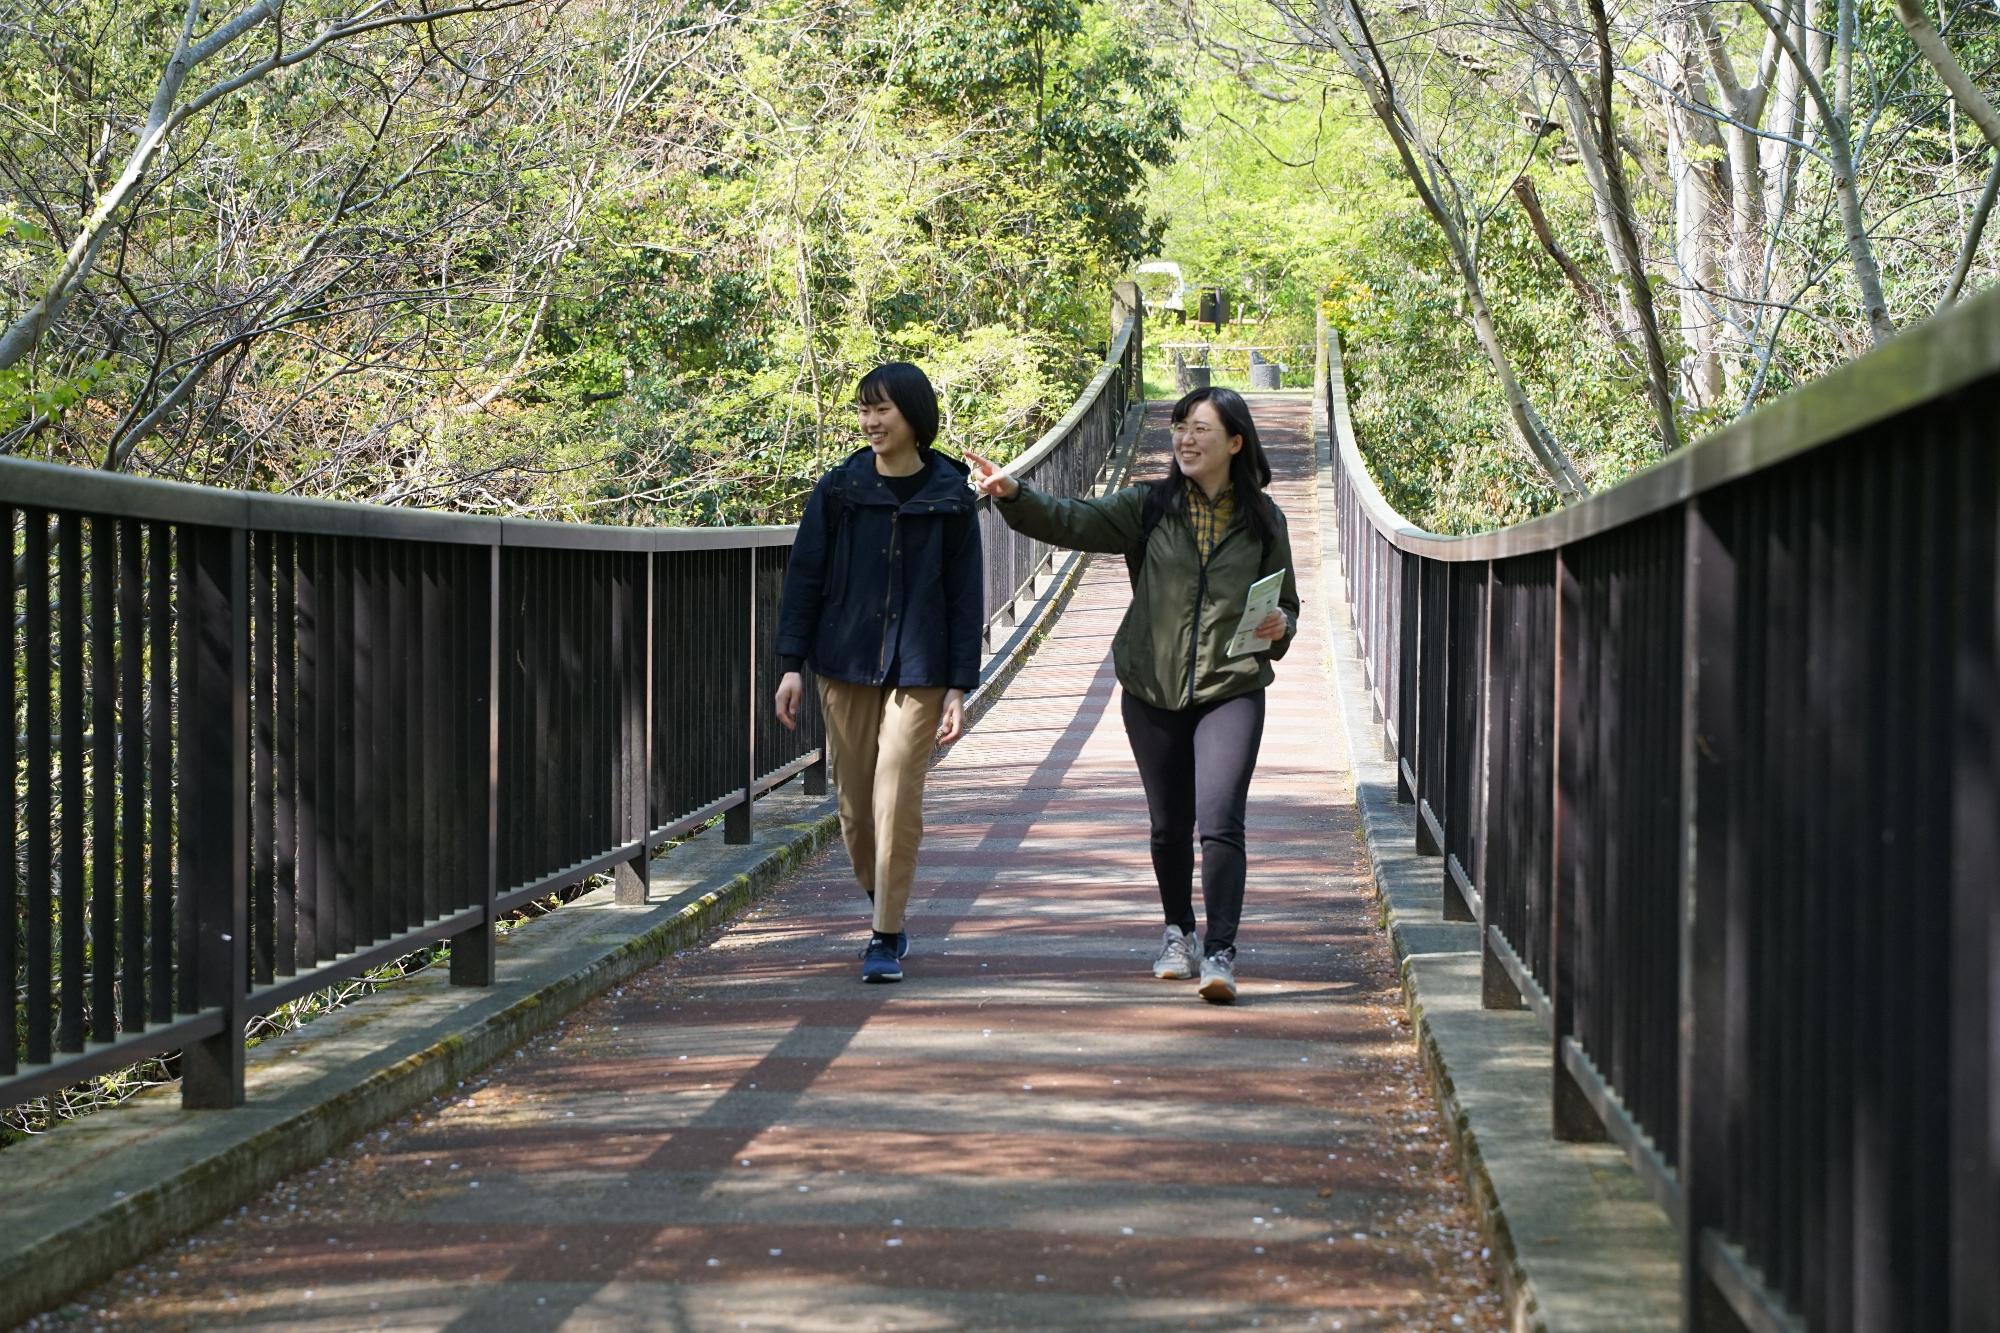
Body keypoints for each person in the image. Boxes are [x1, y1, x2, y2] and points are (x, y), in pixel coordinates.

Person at [965, 386, 1298, 1003]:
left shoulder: (1263, 520)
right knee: (1170, 825)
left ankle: (1221, 952)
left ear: (1234, 442)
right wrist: (1014, 496)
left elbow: (1286, 605)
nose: (1185, 438)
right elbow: (1074, 519)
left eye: (1200, 428)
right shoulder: (1148, 506)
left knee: (1220, 821)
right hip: (1152, 687)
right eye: (1179, 427)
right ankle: (1179, 933)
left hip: (1232, 687)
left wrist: (1281, 625)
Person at [774, 362, 983, 984]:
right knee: (856, 806)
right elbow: (805, 578)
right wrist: (790, 666)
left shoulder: (952, 495)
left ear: (913, 416)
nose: (870, 422)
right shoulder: (838, 490)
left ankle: (884, 935)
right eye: (863, 410)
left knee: (896, 793)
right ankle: (883, 898)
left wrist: (958, 684)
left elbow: (964, 596)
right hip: (845, 661)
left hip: (920, 666)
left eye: (882, 409)